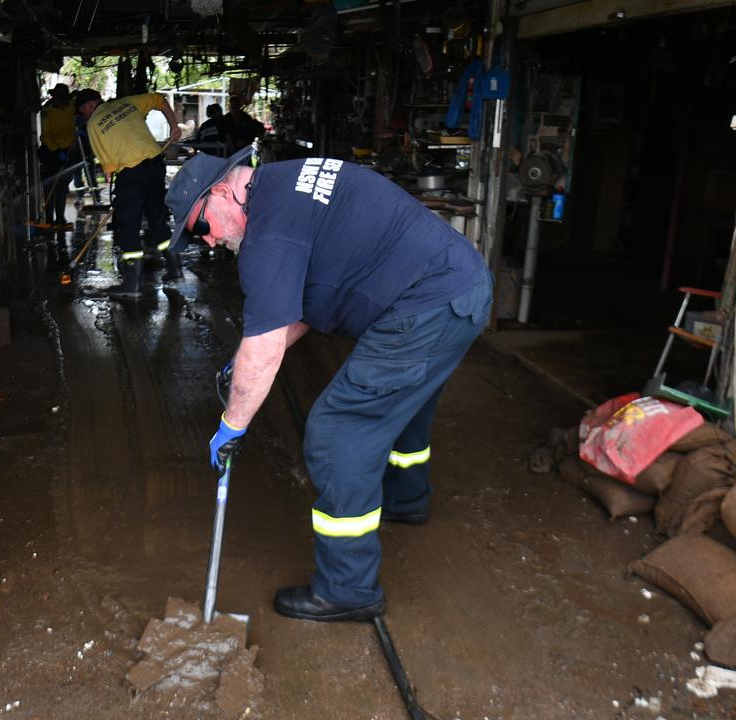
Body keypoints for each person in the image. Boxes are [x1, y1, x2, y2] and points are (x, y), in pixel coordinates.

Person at [164, 149, 492, 622]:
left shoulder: (267, 235)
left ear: (221, 191)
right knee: (400, 399)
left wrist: (232, 424)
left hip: (426, 304)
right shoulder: (284, 185)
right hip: (459, 287)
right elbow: (291, 312)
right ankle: (406, 499)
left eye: (201, 227)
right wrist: (244, 359)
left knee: (339, 430)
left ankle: (347, 588)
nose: (210, 242)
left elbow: (267, 344)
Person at [74, 88, 182, 297]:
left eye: (82, 111)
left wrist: (120, 188)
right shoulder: (126, 102)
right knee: (157, 217)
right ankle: (175, 269)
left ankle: (132, 284)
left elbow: (109, 168)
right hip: (155, 164)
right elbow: (160, 99)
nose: (84, 116)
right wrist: (174, 126)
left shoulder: (93, 124)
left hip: (132, 173)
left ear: (89, 105)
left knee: (128, 223)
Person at [39, 83, 75, 225]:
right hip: (51, 152)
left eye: (61, 97)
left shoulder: (70, 106)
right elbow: (46, 134)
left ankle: (60, 218)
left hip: (68, 151)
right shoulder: (47, 110)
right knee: (50, 186)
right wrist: (57, 150)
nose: (58, 100)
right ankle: (49, 219)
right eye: (56, 97)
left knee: (62, 186)